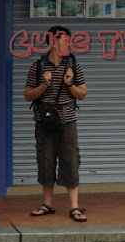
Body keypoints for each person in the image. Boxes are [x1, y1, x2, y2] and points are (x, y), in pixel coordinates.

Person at [24, 26, 88, 222]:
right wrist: (44, 84)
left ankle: (75, 207)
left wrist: (70, 84)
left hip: (67, 121)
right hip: (44, 121)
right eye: (65, 40)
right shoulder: (37, 66)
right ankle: (47, 204)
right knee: (45, 160)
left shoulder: (73, 65)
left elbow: (83, 94)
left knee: (70, 160)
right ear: (53, 42)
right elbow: (28, 95)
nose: (68, 43)